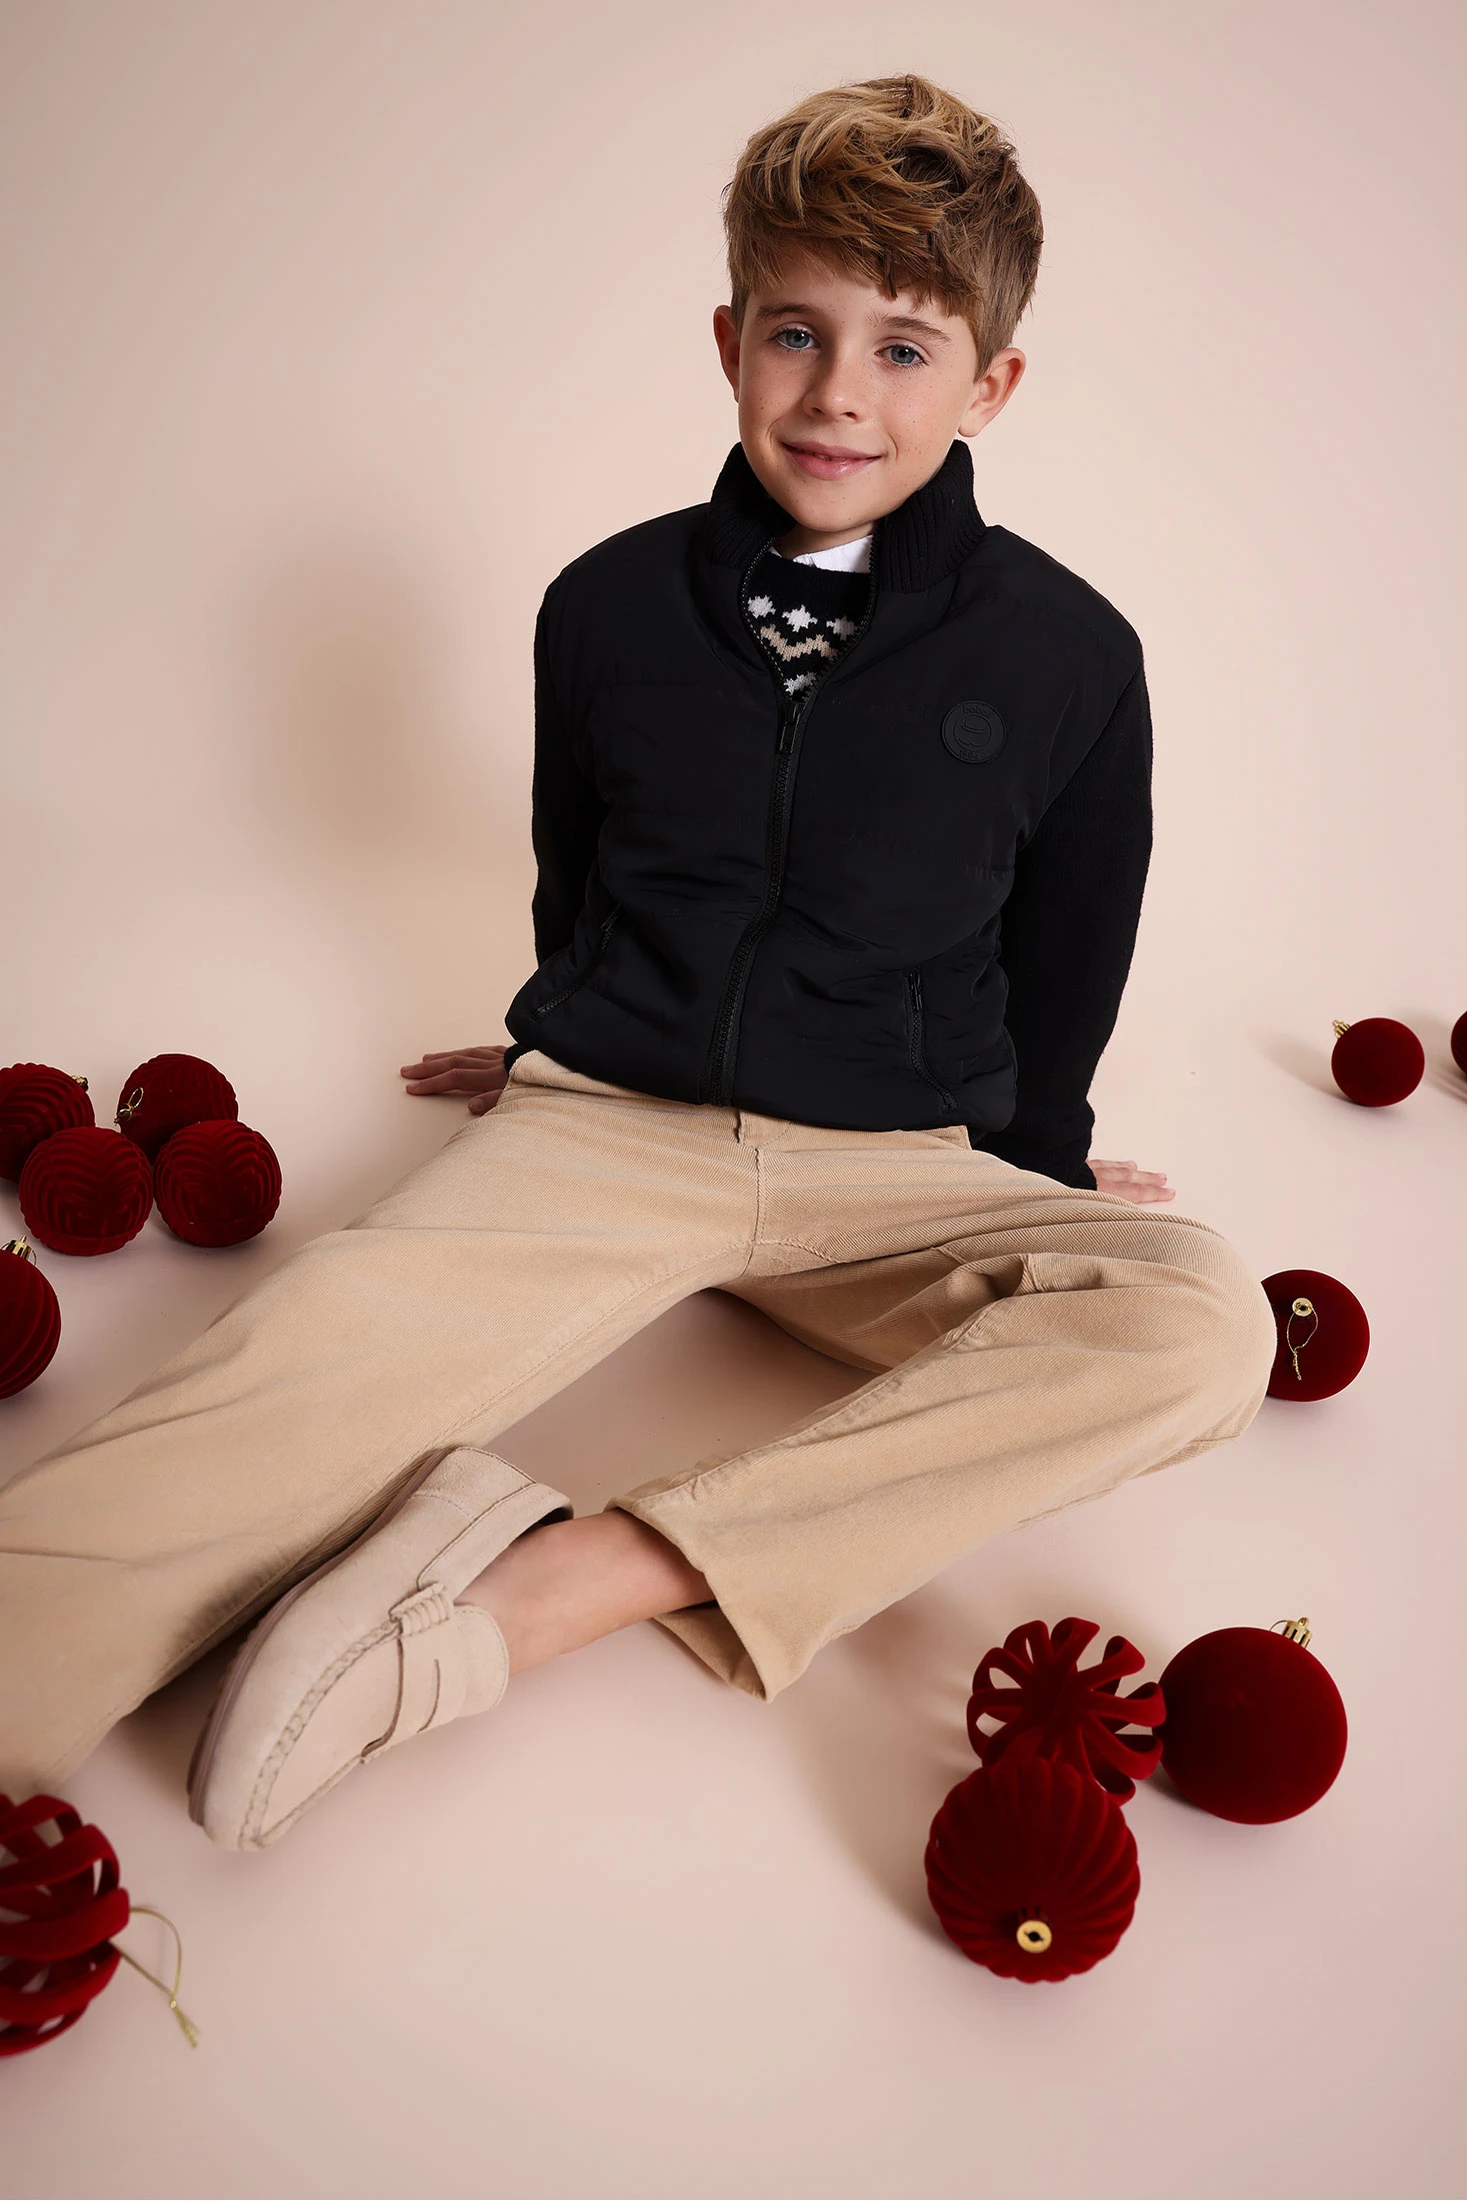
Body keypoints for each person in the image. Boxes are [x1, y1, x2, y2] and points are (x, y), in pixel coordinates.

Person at [0, 74, 1277, 1848]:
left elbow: (1074, 932)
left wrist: (1037, 1164)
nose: (839, 392)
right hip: (608, 1128)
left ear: (991, 384)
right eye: (796, 332)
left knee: (1202, 1322)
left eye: (905, 349)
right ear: (728, 340)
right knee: (278, 1378)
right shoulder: (603, 606)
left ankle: (559, 1581)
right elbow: (577, 861)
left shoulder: (1071, 655)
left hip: (892, 1168)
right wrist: (562, 1034)